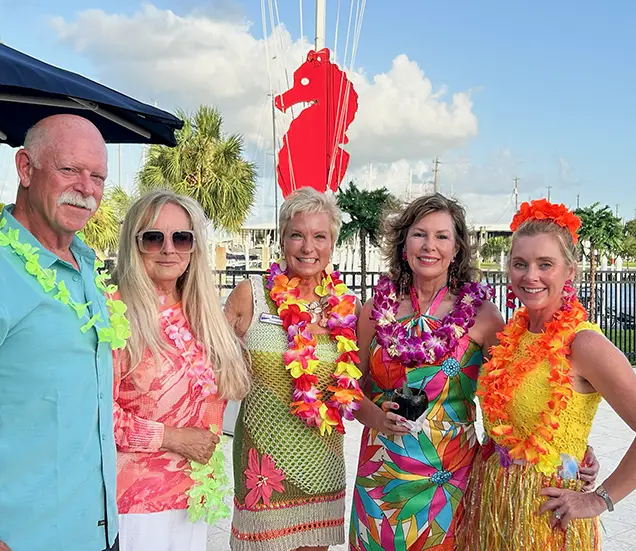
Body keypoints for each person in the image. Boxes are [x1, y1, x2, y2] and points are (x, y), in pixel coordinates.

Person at [347, 194, 598, 551]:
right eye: (419, 234)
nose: (429, 246)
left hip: (453, 479)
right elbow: (348, 389)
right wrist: (372, 414)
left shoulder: (482, 316)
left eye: (442, 236)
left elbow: (522, 390)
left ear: (457, 248)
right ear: (404, 244)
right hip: (380, 472)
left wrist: (573, 448)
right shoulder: (375, 310)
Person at [0, 115, 121, 550]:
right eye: (70, 169)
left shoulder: (87, 268)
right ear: (25, 169)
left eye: (98, 176)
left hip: (96, 532)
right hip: (13, 539)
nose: (87, 188)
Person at [456, 199, 636, 550]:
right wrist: (577, 451)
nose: (531, 275)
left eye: (545, 264)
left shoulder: (584, 344)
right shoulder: (513, 335)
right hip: (492, 504)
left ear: (570, 270)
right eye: (520, 264)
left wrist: (601, 498)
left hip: (546, 516)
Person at [111, 190, 251, 551]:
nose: (168, 249)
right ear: (134, 243)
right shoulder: (114, 314)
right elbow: (97, 414)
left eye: (181, 238)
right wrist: (173, 438)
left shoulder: (201, 314)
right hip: (137, 503)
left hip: (194, 496)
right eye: (153, 238)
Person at [225, 187, 364, 551]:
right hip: (263, 467)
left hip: (321, 466)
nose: (308, 247)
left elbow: (362, 386)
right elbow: (211, 369)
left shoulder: (349, 307)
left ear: (333, 242)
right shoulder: (251, 294)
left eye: (320, 236)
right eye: (297, 235)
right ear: (282, 238)